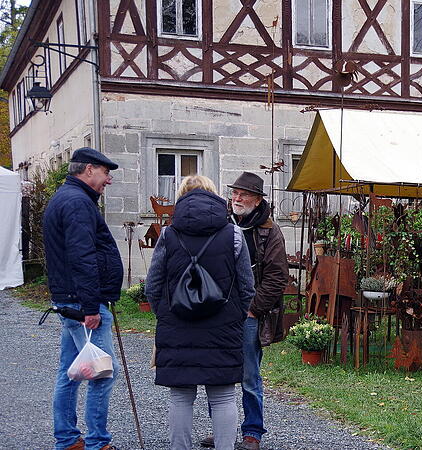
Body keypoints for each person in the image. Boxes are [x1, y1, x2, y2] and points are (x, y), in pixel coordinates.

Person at [145, 175, 256, 450]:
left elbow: (153, 286)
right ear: (213, 195)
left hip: (176, 324)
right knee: (223, 397)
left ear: (182, 197)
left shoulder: (168, 234)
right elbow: (246, 286)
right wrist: (234, 316)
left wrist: (165, 314)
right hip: (224, 325)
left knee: (180, 397)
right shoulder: (233, 234)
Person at [200, 172, 289, 450]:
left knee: (250, 376)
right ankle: (222, 430)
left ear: (257, 200)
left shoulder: (269, 231)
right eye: (234, 193)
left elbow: (277, 276)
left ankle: (252, 432)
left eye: (244, 195)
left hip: (248, 314)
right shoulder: (221, 222)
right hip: (218, 311)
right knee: (217, 372)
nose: (237, 199)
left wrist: (253, 309)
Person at [43, 147, 123, 450]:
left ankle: (67, 438)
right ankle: (97, 442)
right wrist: (91, 307)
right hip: (81, 303)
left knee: (70, 371)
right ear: (89, 169)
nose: (108, 180)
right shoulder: (77, 202)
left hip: (70, 299)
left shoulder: (67, 197)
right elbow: (82, 257)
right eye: (105, 173)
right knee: (102, 372)